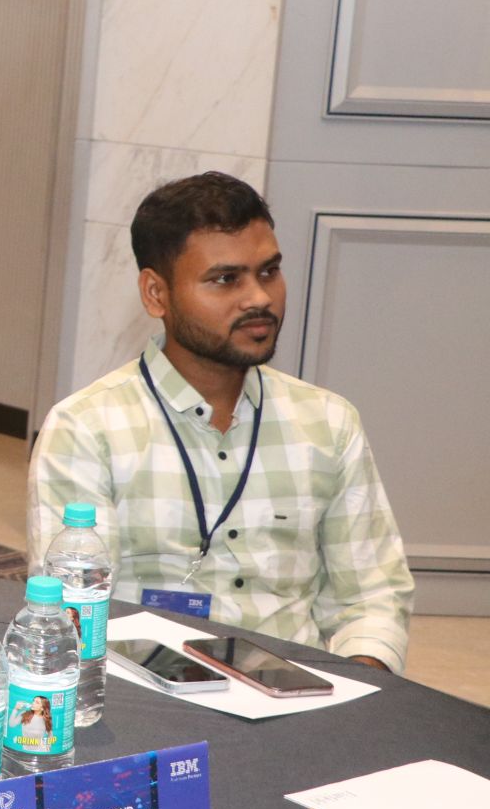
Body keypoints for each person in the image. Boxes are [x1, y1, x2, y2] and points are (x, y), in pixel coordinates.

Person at [28, 172, 412, 671]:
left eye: (269, 272)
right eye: (226, 279)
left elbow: (373, 597)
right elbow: (73, 617)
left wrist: (356, 689)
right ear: (156, 294)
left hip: (299, 693)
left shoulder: (327, 423)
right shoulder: (86, 429)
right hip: (148, 695)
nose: (259, 298)